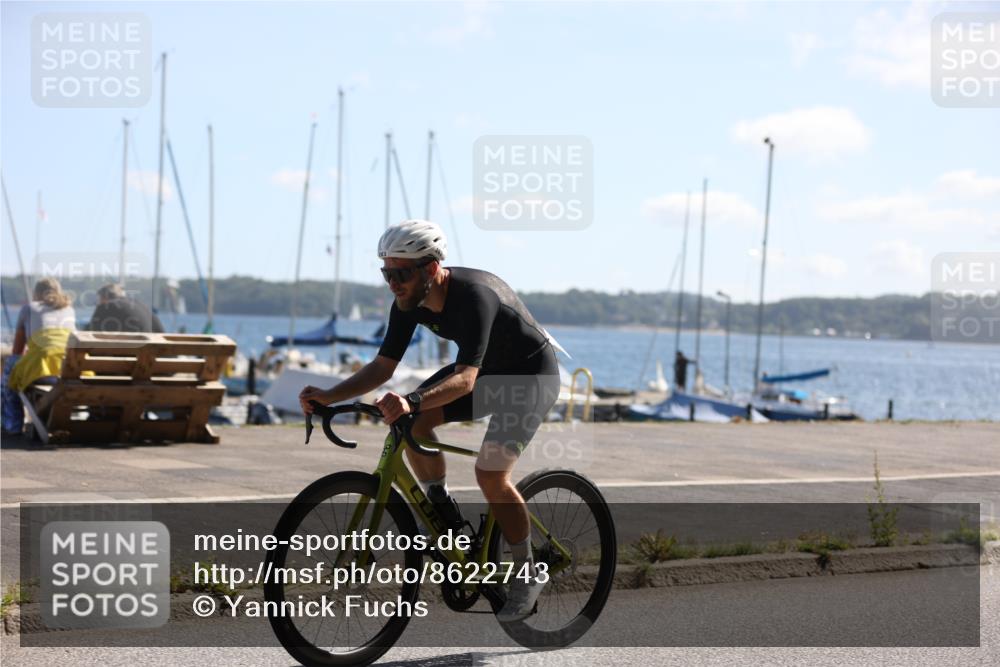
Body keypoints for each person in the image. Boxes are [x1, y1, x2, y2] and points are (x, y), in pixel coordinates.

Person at [299, 220, 560, 622]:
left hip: (528, 377)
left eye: (400, 273)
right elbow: (383, 366)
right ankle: (444, 512)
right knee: (414, 425)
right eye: (387, 272)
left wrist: (412, 399)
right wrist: (328, 396)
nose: (392, 282)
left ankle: (527, 571)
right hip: (486, 372)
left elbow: (466, 378)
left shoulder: (475, 296)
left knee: (490, 474)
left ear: (432, 269)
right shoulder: (407, 301)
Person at [5, 278, 78, 430]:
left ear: (36, 293)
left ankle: (13, 425)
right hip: (71, 369)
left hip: (42, 369)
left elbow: (17, 350)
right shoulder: (69, 309)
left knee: (8, 375)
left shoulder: (30, 308)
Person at [88, 283, 164, 333]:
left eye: (99, 300)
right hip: (153, 355)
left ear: (104, 298)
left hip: (128, 355)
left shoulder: (105, 307)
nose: (98, 304)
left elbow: (91, 333)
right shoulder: (142, 306)